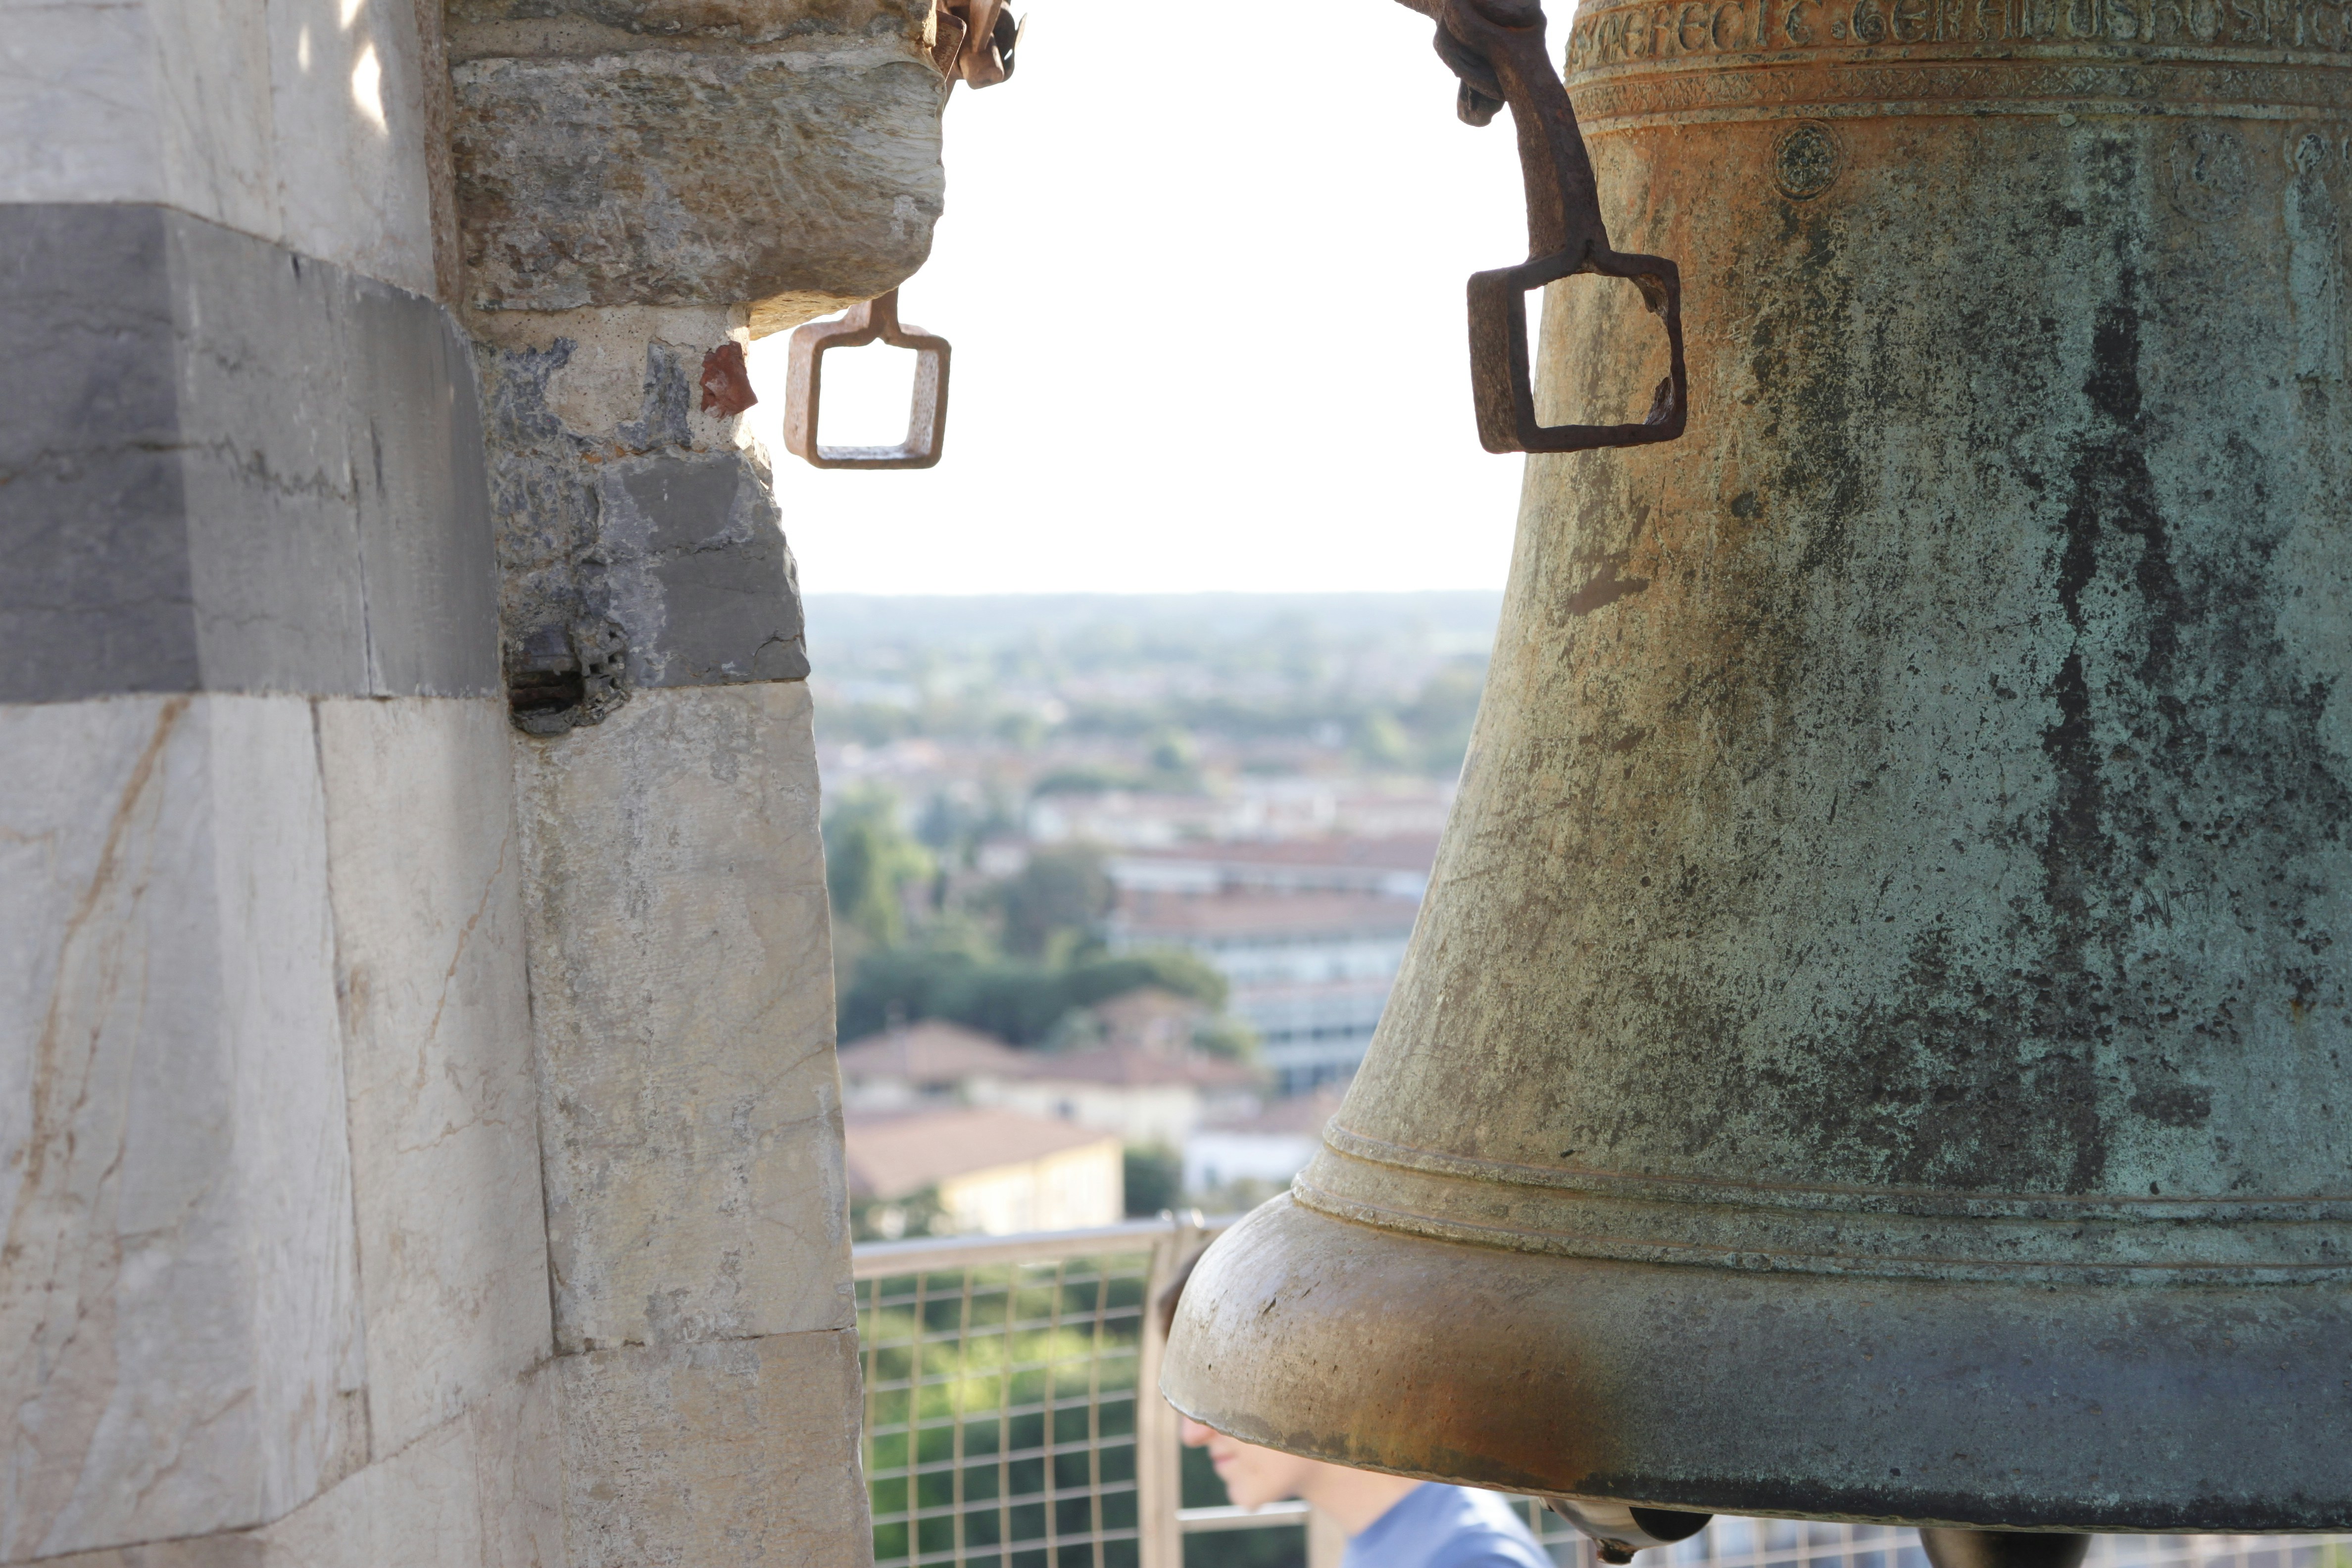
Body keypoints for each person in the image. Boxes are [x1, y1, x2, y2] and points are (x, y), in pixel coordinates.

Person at [1158, 1252, 1552, 1568]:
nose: (1193, 1434)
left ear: (1309, 1367)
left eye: (1211, 1390)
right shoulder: (1412, 1541)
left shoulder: (1467, 1559)